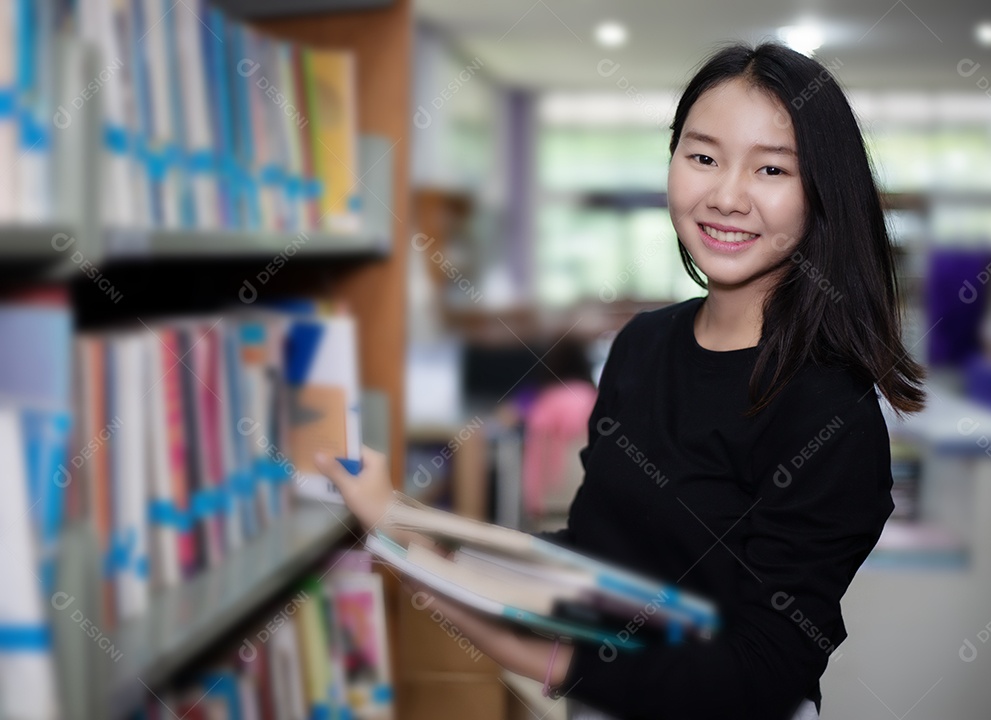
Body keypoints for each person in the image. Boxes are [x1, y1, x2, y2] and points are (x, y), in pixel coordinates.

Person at [315, 40, 926, 720]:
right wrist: (410, 529)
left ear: (821, 194)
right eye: (702, 157)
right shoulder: (641, 346)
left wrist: (532, 654)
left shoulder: (828, 410)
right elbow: (598, 559)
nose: (727, 196)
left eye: (772, 169)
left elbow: (765, 667)